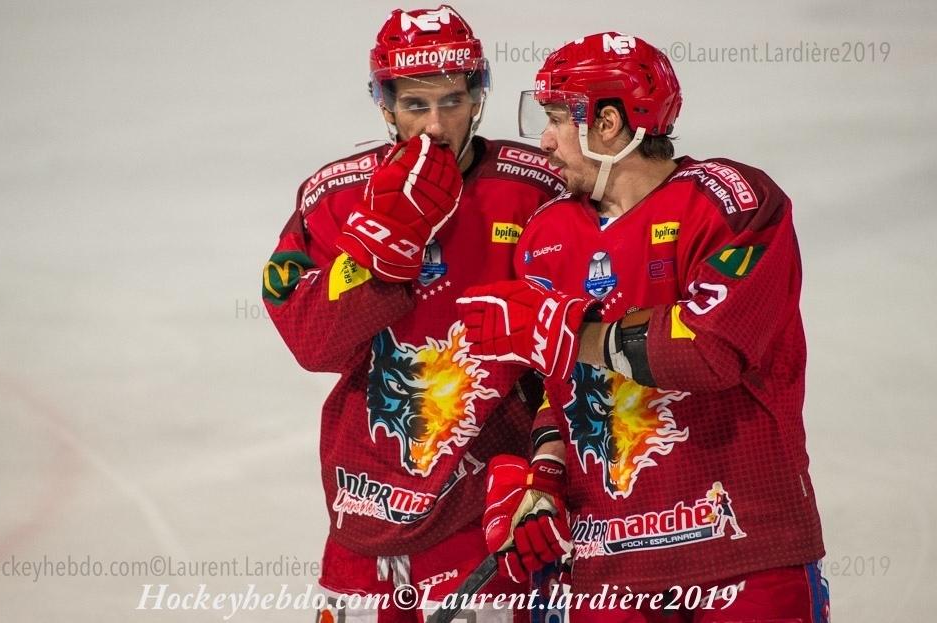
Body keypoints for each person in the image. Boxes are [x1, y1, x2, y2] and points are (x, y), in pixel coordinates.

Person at [457, 32, 829, 622]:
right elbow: (559, 388)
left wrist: (574, 334)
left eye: (556, 119)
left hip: (741, 551)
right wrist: (544, 477)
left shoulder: (731, 203)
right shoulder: (546, 236)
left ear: (608, 123)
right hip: (610, 567)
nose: (544, 140)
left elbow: (710, 348)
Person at [261, 6, 566, 622]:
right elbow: (311, 342)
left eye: (452, 101)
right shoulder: (337, 197)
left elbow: (572, 346)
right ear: (386, 106)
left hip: (485, 511)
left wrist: (547, 467)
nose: (435, 125)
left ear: (477, 96)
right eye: (415, 105)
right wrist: (377, 253)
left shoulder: (536, 189)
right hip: (364, 512)